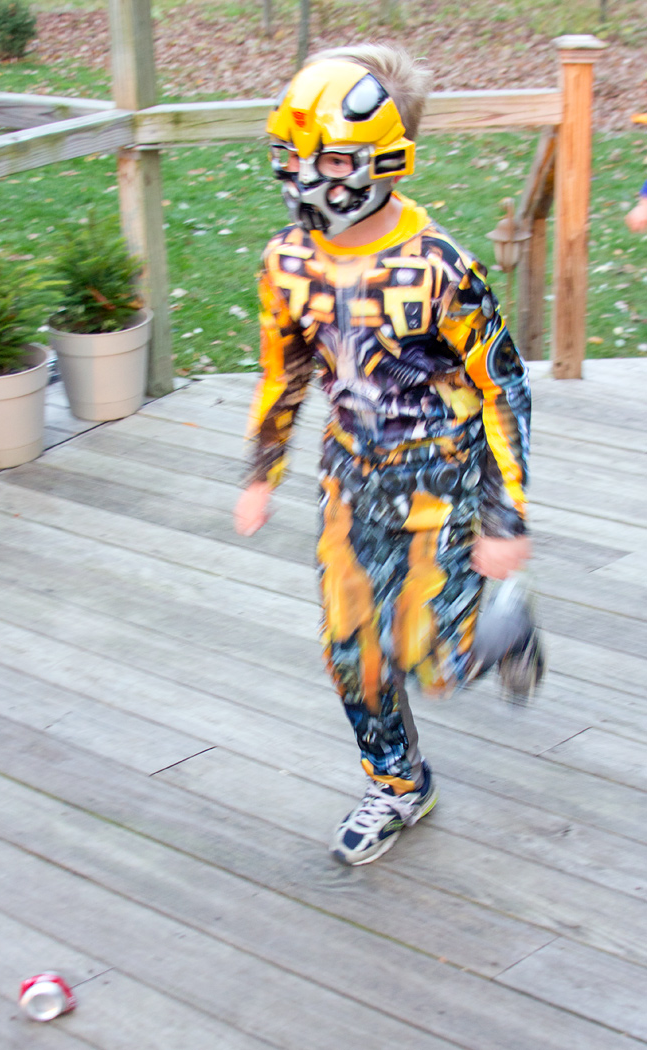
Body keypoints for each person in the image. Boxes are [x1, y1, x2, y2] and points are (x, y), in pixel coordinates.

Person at [234, 44, 543, 866]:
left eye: (333, 160)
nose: (309, 177)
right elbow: (285, 372)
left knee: (436, 664)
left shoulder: (442, 271)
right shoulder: (287, 264)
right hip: (349, 484)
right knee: (352, 651)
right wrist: (262, 473)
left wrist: (505, 516)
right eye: (294, 156)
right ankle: (399, 785)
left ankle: (503, 625)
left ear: (384, 158)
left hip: (442, 486)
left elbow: (504, 388)